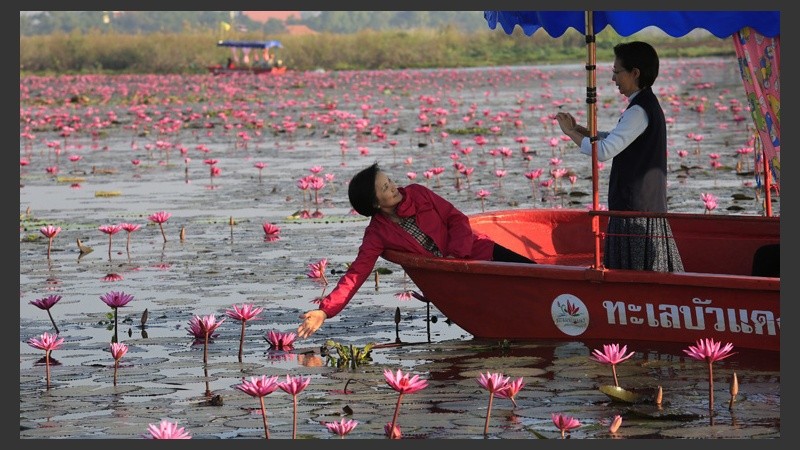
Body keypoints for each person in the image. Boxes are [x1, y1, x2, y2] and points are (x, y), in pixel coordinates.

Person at [296, 162, 535, 338]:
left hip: (480, 252)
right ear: (376, 204)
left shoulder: (419, 194)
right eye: (385, 188)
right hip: (456, 281)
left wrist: (455, 256)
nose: (393, 188)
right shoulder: (377, 233)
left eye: (389, 181)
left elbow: (457, 219)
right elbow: (356, 274)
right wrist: (324, 311)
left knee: (535, 274)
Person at [555, 41, 684, 272]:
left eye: (616, 72)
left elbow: (604, 151)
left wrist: (570, 133)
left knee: (635, 276)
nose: (613, 79)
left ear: (635, 73)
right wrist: (583, 131)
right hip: (645, 208)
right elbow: (617, 137)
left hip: (635, 213)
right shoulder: (645, 105)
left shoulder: (638, 111)